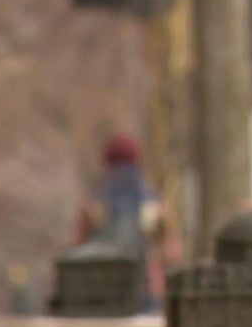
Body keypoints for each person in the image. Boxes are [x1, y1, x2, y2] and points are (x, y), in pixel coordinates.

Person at [75, 133, 181, 312]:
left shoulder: (93, 204)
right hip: (146, 288)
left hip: (100, 290)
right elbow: (172, 253)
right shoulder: (156, 205)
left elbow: (78, 248)